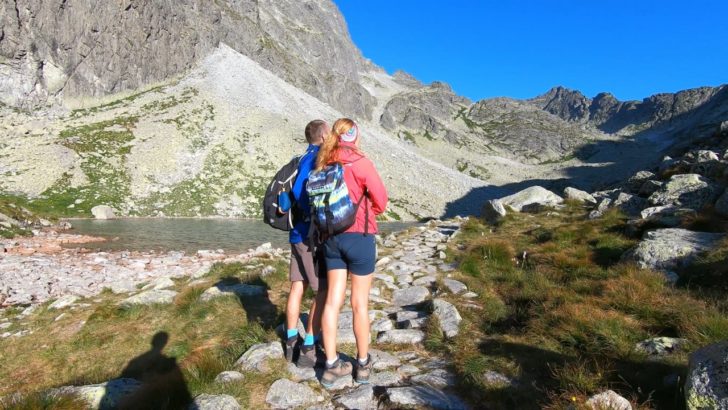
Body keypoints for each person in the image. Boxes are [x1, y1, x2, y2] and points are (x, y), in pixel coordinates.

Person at [316, 118, 388, 387]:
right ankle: (362, 364)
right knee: (360, 304)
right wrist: (369, 212)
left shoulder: (324, 161)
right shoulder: (360, 162)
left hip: (330, 238)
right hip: (360, 237)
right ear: (354, 136)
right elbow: (381, 199)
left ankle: (332, 364)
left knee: (333, 302)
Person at [283, 119, 330, 368]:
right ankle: (309, 347)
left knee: (297, 286)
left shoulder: (300, 158)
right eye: (330, 132)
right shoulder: (316, 160)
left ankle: (291, 342)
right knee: (321, 291)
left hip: (295, 234)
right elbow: (303, 195)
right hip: (309, 237)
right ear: (323, 136)